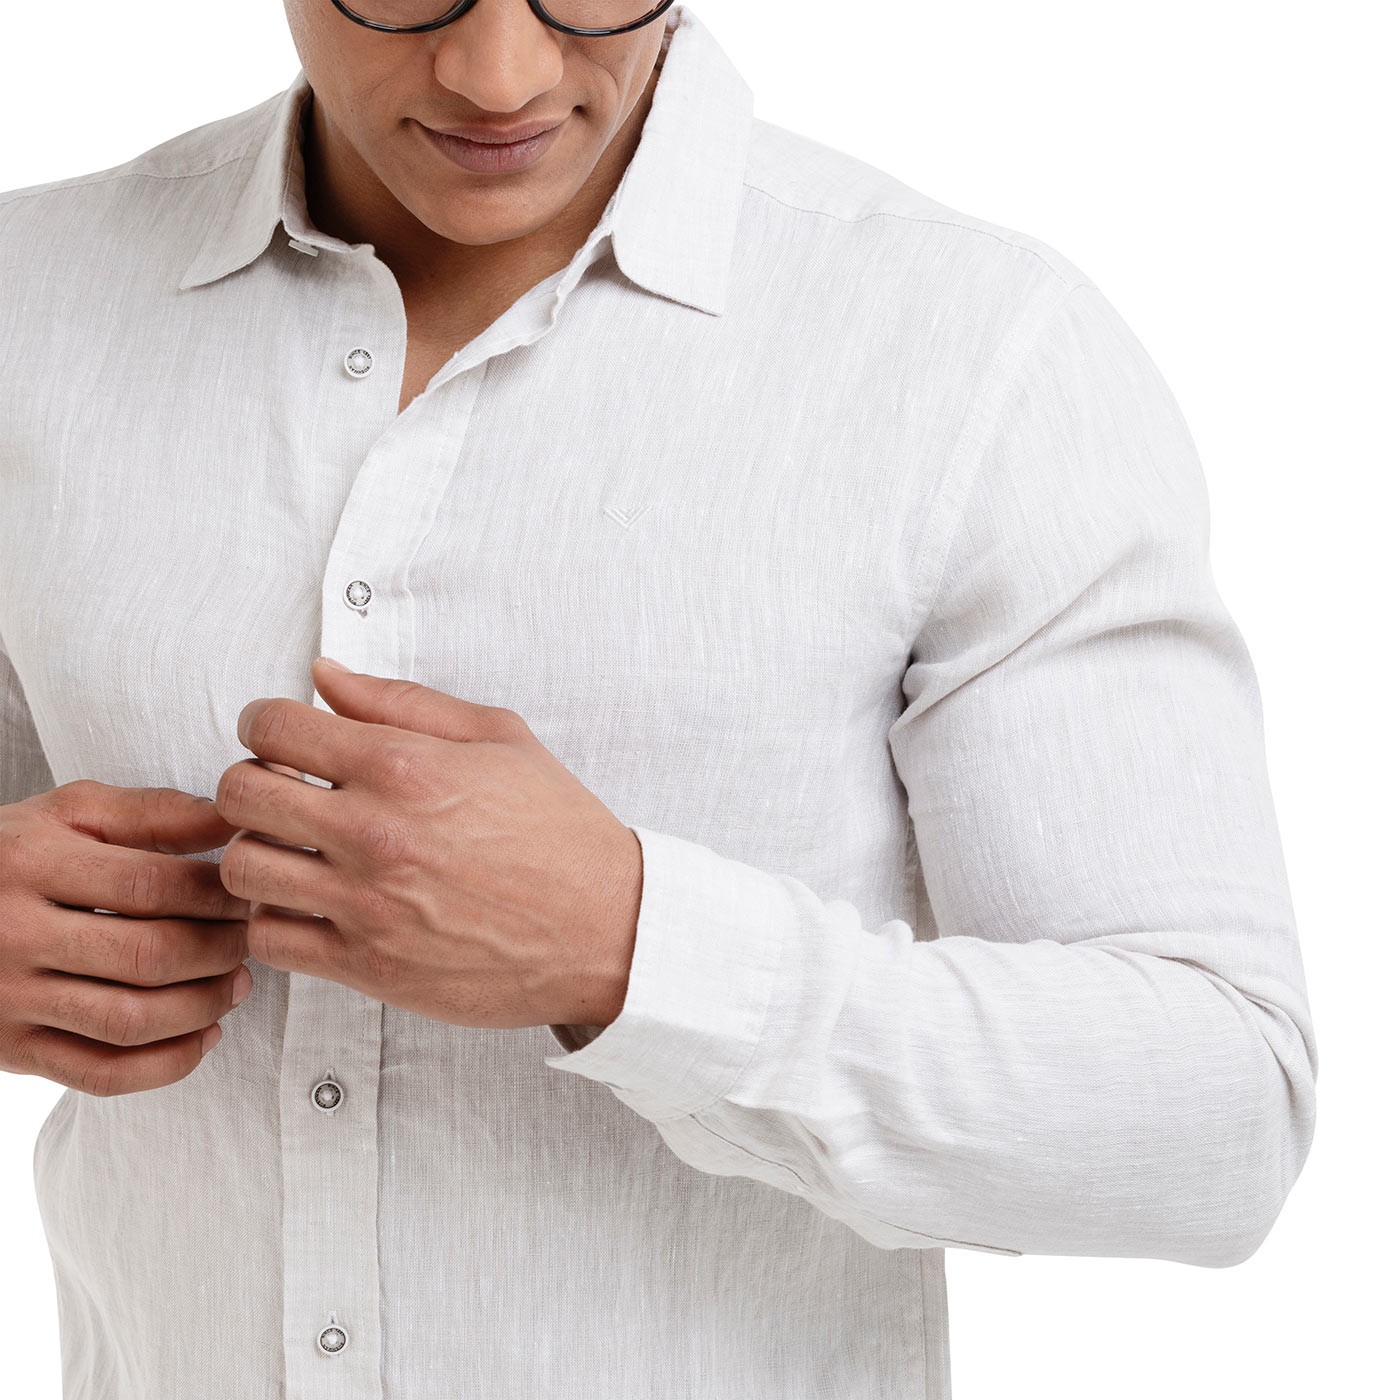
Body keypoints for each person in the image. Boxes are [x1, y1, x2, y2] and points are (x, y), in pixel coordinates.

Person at [0, 2, 1318, 1397]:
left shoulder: (977, 352)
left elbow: (1221, 1117)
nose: (497, 73)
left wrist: (628, 951)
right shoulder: (29, 301)